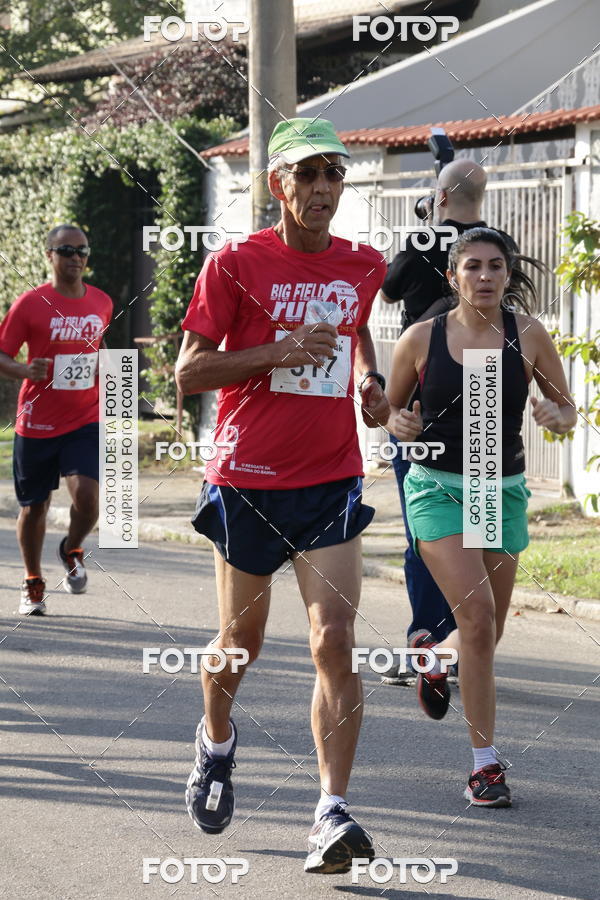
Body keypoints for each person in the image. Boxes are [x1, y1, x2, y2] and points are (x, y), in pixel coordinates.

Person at [175, 118, 389, 874]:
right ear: (279, 185)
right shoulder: (234, 264)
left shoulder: (365, 263)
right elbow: (189, 373)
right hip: (248, 479)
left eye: (334, 174)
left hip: (330, 476)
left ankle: (331, 811)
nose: (324, 188)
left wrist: (370, 381)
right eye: (308, 174)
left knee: (334, 639)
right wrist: (278, 352)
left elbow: (356, 332)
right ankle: (216, 741)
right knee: (241, 643)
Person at [387, 227, 576, 806]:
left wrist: (557, 416)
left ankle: (436, 658)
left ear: (507, 275)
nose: (485, 276)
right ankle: (485, 767)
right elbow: (388, 412)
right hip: (436, 489)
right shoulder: (421, 338)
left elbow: (567, 409)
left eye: (496, 266)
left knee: (485, 634)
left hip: (499, 489)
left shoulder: (528, 334)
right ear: (453, 276)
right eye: (472, 266)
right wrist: (396, 422)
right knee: (478, 615)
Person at [379, 160, 519, 683]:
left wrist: (424, 226)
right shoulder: (497, 245)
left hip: (421, 404)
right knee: (478, 534)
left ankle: (429, 640)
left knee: (426, 531)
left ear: (438, 196)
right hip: (484, 402)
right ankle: (465, 642)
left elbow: (388, 291)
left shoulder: (423, 240)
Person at [0, 225, 112, 615]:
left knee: (88, 497)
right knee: (35, 507)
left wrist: (104, 366)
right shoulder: (30, 304)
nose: (76, 258)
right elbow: (2, 354)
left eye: (82, 251)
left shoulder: (102, 301)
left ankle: (71, 547)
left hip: (84, 417)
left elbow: (99, 346)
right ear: (49, 255)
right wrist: (24, 370)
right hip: (37, 422)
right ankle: (32, 581)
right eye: (66, 250)